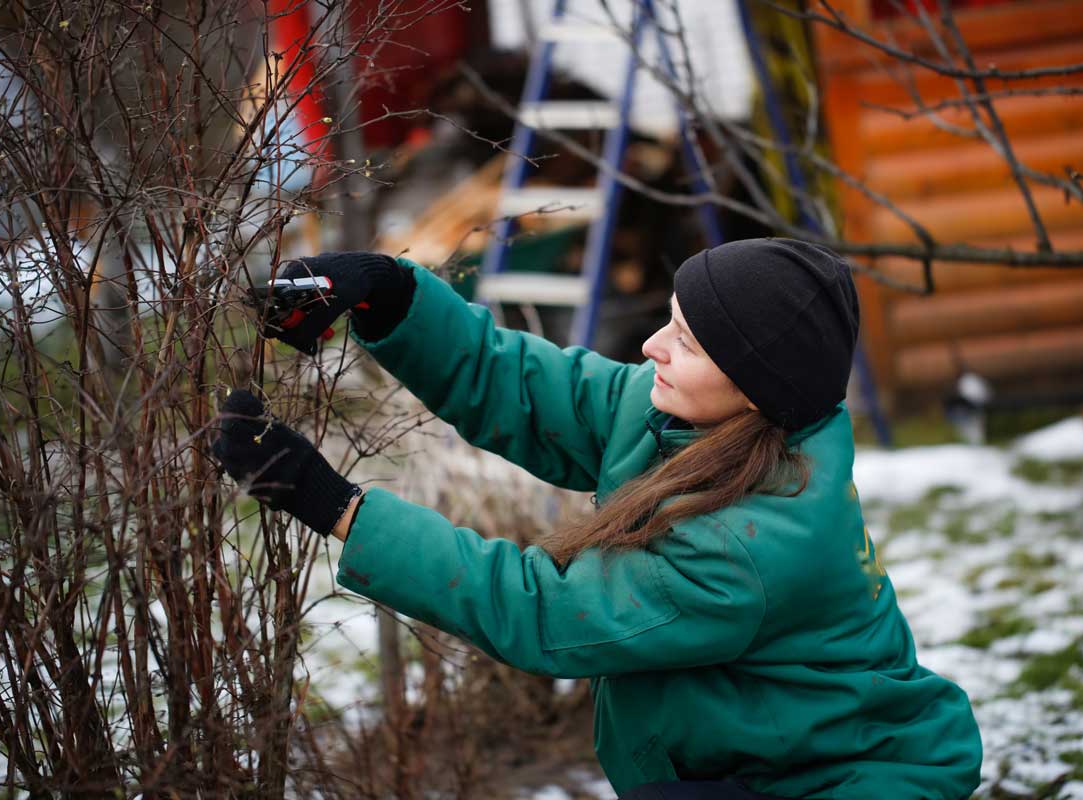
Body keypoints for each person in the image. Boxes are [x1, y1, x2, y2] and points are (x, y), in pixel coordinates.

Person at [212, 239, 983, 799]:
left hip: (846, 784)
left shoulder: (750, 543)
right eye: (669, 322)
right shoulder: (701, 422)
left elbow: (545, 612)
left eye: (684, 339)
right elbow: (521, 383)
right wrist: (388, 292)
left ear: (754, 385)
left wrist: (338, 507)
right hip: (776, 764)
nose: (652, 346)